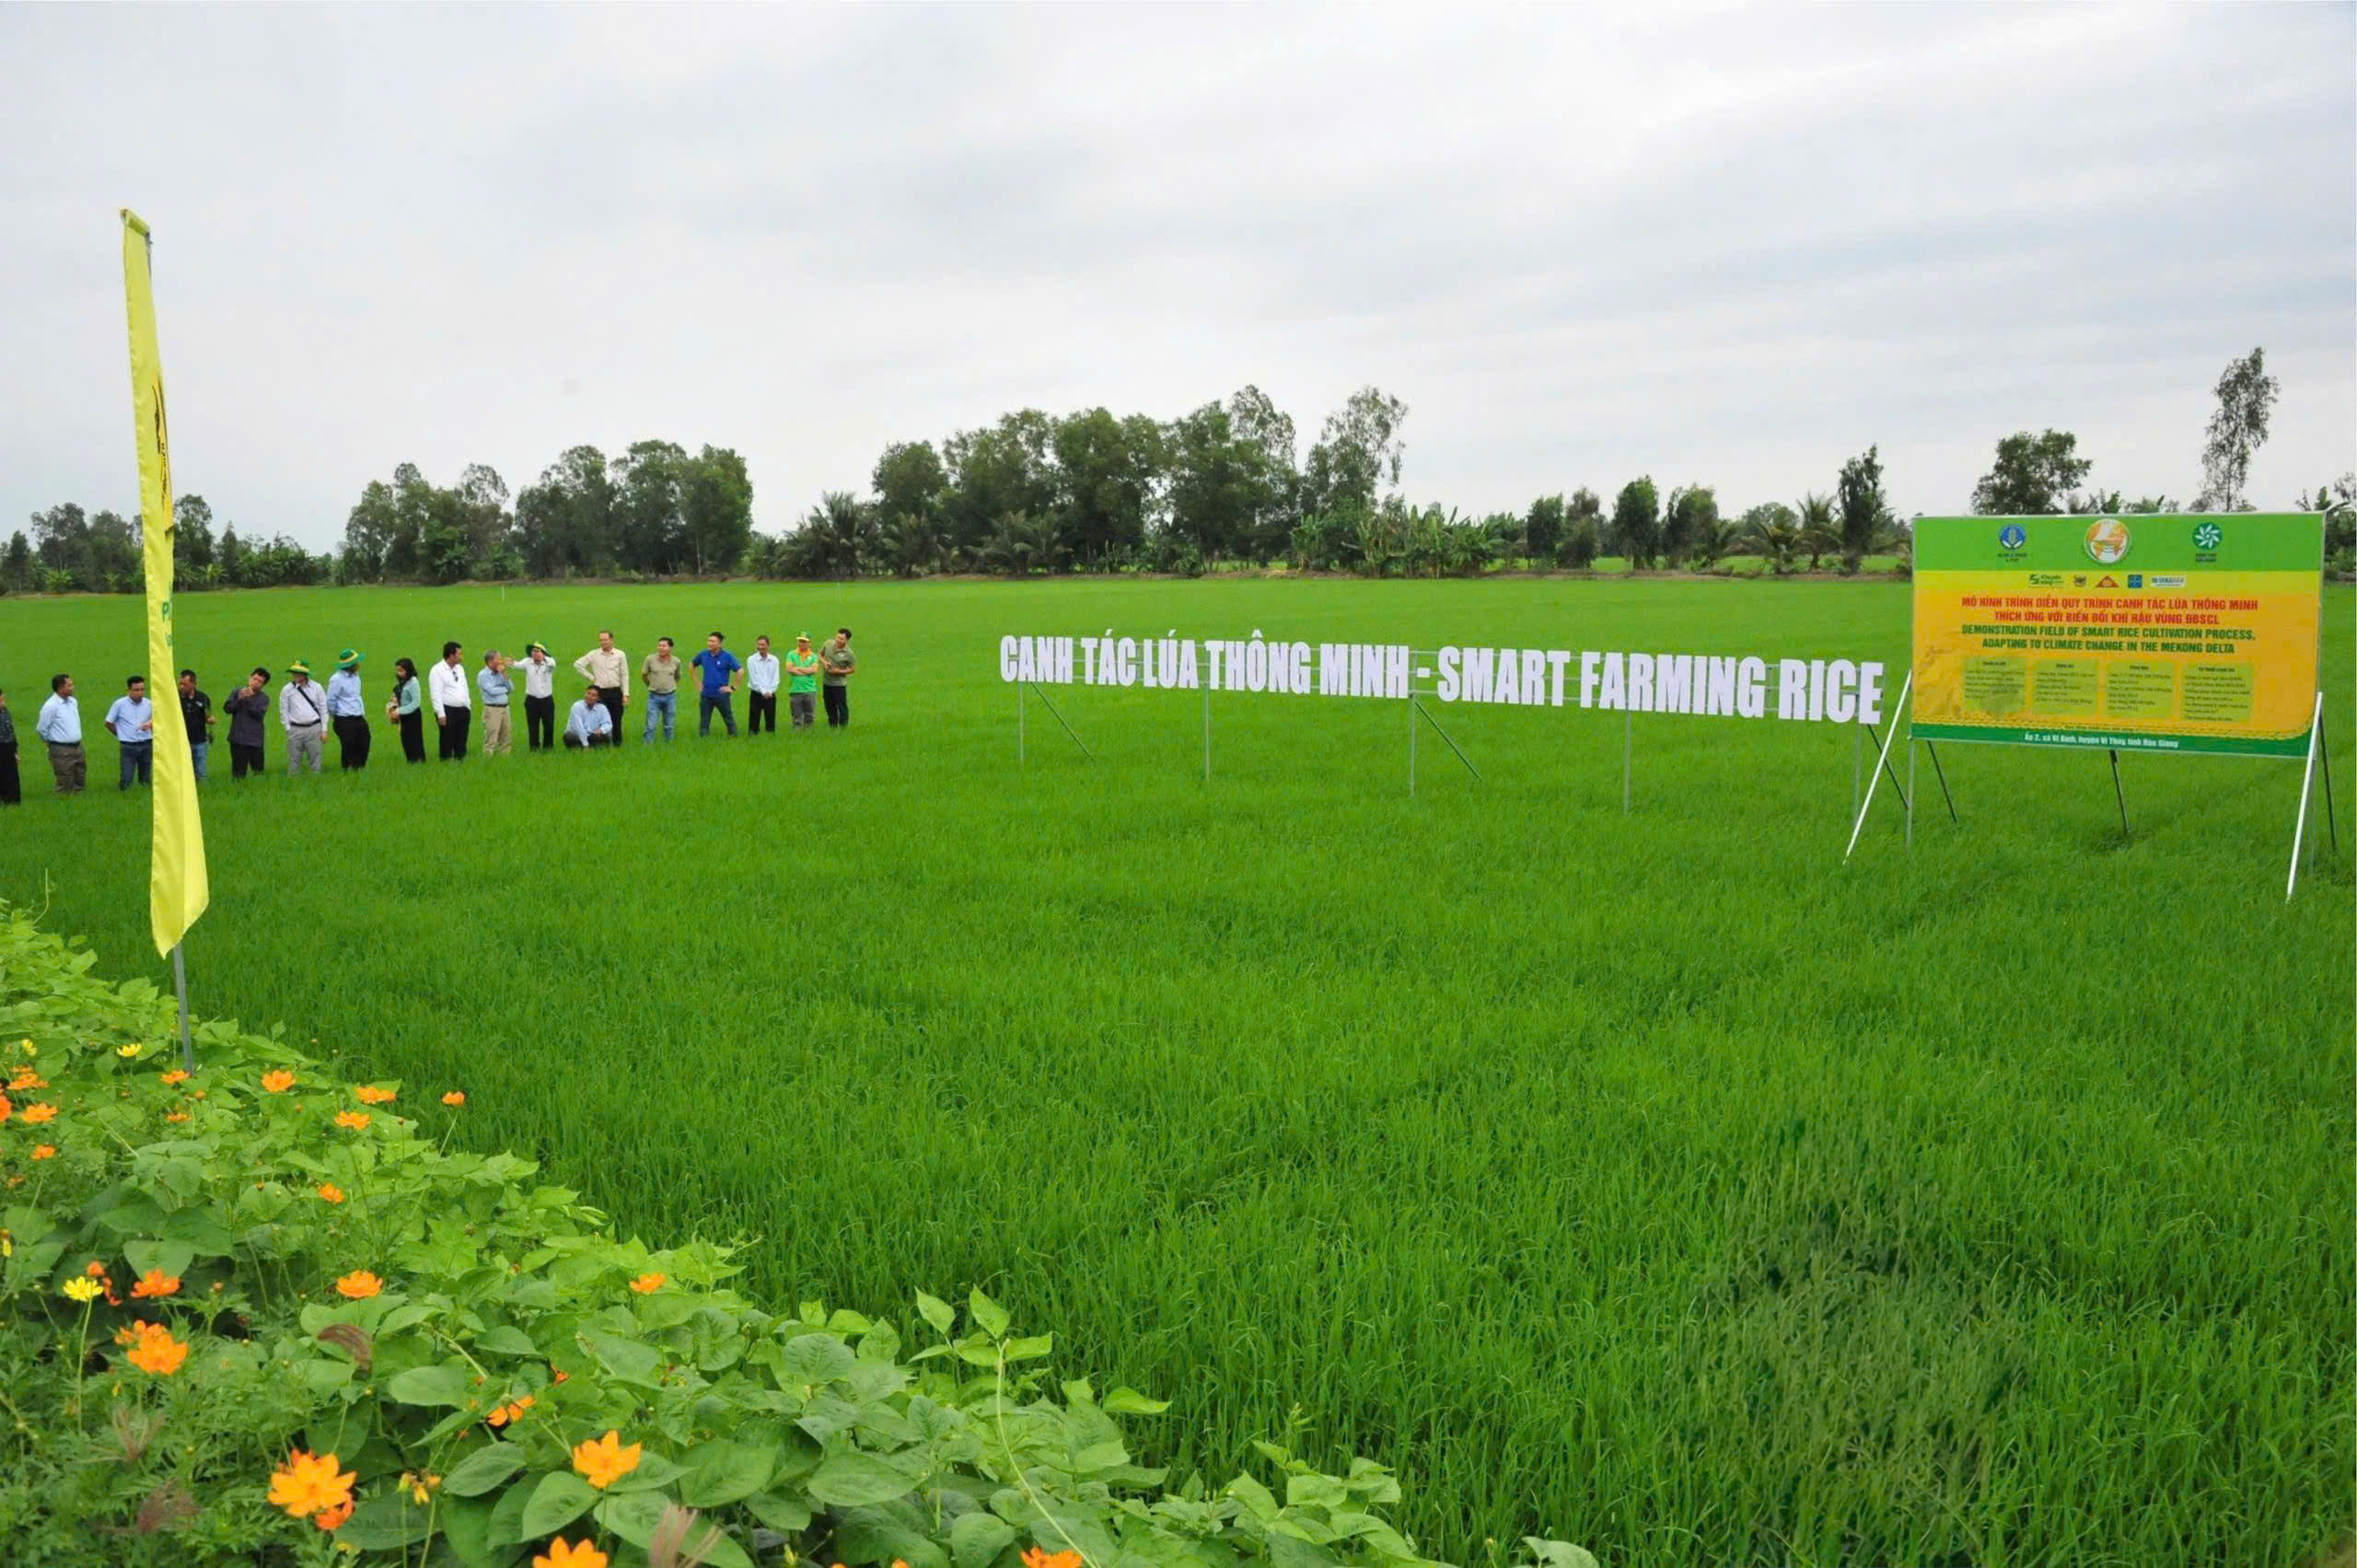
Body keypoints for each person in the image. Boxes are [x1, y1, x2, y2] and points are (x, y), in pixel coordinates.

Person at [574, 631, 629, 746]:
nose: (602, 642)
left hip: (615, 691)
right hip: (600, 693)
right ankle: (600, 743)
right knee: (599, 720)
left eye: (605, 639)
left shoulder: (620, 654)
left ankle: (617, 744)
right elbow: (578, 664)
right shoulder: (594, 654)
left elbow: (624, 675)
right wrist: (591, 677)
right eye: (600, 640)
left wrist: (625, 694)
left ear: (611, 640)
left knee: (616, 719)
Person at [104, 675, 156, 791]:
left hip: (146, 744)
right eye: (136, 690)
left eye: (142, 689)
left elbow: (159, 719)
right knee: (126, 778)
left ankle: (144, 796)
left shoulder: (149, 704)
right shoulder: (119, 704)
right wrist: (121, 734)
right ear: (128, 690)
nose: (140, 693)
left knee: (145, 777)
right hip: (128, 746)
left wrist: (150, 723)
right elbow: (108, 723)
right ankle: (125, 796)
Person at [37, 675, 85, 796]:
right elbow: (41, 729)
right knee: (65, 779)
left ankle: (78, 802)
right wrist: (51, 745)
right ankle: (64, 802)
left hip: (78, 746)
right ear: (60, 688)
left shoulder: (73, 702)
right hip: (61, 749)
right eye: (69, 685)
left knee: (80, 775)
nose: (73, 687)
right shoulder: (50, 706)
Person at [691, 632, 742, 738]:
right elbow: (691, 665)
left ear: (719, 644)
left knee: (728, 718)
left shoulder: (727, 656)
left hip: (721, 694)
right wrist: (697, 683)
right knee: (704, 721)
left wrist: (733, 687)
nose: (709, 643)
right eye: (708, 641)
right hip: (706, 694)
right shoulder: (703, 655)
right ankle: (704, 739)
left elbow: (740, 671)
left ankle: (733, 736)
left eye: (712, 641)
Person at [280, 661, 326, 774]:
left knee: (315, 758)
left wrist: (324, 730)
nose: (296, 675)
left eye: (299, 673)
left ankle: (316, 781)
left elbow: (323, 709)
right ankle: (293, 783)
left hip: (314, 727)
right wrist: (288, 728)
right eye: (294, 672)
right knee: (293, 760)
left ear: (306, 674)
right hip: (295, 729)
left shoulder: (317, 687)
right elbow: (283, 710)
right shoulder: (287, 689)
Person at [326, 650, 369, 771]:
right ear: (350, 665)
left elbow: (356, 696)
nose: (358, 664)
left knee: (365, 742)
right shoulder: (336, 679)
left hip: (358, 717)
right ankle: (348, 770)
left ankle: (359, 769)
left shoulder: (356, 677)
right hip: (344, 719)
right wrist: (336, 716)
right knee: (349, 746)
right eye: (356, 662)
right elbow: (330, 700)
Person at [224, 668, 271, 778]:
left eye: (260, 682)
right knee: (238, 774)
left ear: (263, 685)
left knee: (258, 772)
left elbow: (259, 715)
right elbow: (227, 709)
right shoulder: (237, 692)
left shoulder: (264, 698)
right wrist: (240, 699)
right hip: (237, 738)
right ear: (249, 678)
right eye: (255, 679)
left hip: (255, 740)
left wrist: (248, 700)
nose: (256, 683)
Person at [429, 641, 471, 761]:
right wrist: (440, 714)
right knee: (447, 740)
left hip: (463, 710)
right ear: (451, 655)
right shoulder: (437, 670)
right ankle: (446, 762)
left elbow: (464, 687)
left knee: (461, 739)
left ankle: (460, 761)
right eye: (459, 654)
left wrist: (468, 705)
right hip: (448, 710)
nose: (461, 656)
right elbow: (435, 694)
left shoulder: (460, 668)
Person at [516, 643, 559, 751]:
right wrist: (510, 662)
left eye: (538, 651)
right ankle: (534, 747)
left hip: (547, 700)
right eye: (533, 651)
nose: (535, 653)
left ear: (543, 653)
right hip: (532, 700)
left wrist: (544, 658)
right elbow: (517, 665)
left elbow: (553, 664)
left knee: (548, 725)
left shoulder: (549, 663)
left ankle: (548, 747)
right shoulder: (527, 662)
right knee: (533, 726)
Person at [640, 637, 682, 741]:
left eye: (664, 646)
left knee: (669, 725)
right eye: (659, 645)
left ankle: (668, 745)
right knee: (651, 725)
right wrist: (650, 685)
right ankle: (647, 745)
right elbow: (644, 674)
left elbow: (677, 676)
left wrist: (672, 686)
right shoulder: (650, 659)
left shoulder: (676, 661)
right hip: (654, 697)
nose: (661, 648)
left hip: (670, 697)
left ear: (670, 647)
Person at [178, 669, 215, 782]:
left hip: (200, 740)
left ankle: (202, 792)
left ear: (194, 684)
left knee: (200, 771)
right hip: (181, 741)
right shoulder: (176, 698)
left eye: (185, 684)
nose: (181, 687)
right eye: (180, 683)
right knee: (184, 772)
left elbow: (207, 716)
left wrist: (210, 720)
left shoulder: (203, 697)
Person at [388, 657, 427, 762]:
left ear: (408, 670)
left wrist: (399, 711)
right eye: (398, 670)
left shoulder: (413, 682)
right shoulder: (402, 682)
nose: (399, 673)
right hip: (403, 716)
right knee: (405, 740)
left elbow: (416, 703)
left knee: (415, 741)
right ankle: (411, 762)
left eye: (401, 670)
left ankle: (419, 762)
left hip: (413, 716)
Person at [478, 650, 514, 756]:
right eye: (498, 659)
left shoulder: (501, 673)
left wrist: (504, 674)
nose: (500, 661)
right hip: (492, 709)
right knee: (491, 737)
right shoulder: (483, 675)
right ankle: (487, 760)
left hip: (505, 708)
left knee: (506, 737)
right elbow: (491, 691)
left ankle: (505, 759)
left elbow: (511, 688)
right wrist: (504, 689)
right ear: (490, 662)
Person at [820, 627, 856, 727]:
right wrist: (824, 662)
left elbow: (852, 669)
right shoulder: (828, 644)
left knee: (841, 706)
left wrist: (839, 671)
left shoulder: (849, 653)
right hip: (826, 682)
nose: (838, 640)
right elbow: (820, 655)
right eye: (837, 637)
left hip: (839, 684)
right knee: (829, 705)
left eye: (841, 639)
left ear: (847, 640)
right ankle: (832, 725)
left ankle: (843, 725)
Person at [746, 635, 780, 735]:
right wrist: (764, 692)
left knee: (770, 720)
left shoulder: (774, 660)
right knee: (754, 720)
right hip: (756, 693)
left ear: (768, 646)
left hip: (771, 694)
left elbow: (776, 678)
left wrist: (771, 691)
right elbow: (753, 679)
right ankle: (753, 738)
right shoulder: (751, 660)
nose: (760, 647)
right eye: (759, 644)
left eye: (763, 645)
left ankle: (770, 739)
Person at [785, 633, 821, 729]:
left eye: (804, 641)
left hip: (809, 689)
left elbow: (814, 670)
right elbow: (789, 669)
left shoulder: (813, 656)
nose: (801, 643)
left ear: (809, 643)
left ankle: (808, 734)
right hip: (795, 689)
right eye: (800, 641)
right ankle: (797, 734)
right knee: (796, 715)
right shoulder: (791, 654)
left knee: (809, 715)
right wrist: (806, 671)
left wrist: (797, 668)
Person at [563, 683, 615, 748]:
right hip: (577, 735)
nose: (589, 696)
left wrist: (601, 730)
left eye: (593, 695)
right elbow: (579, 728)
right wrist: (585, 744)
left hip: (592, 735)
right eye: (588, 693)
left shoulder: (602, 708)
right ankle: (581, 748)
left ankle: (591, 747)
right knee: (569, 736)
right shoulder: (577, 706)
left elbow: (608, 723)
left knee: (607, 735)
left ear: (598, 698)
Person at [0, 689, 16, 806]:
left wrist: (14, 751)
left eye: (3, 700)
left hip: (8, 748)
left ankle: (12, 802)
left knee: (10, 777)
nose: (3, 704)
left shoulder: (5, 711)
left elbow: (10, 730)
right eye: (0, 701)